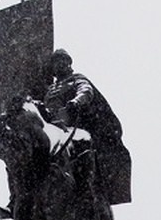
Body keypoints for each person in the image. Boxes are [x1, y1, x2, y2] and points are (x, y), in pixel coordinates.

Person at [41, 49, 132, 206]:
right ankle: (20, 202)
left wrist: (76, 102)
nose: (59, 65)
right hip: (54, 131)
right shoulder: (49, 90)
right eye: (56, 62)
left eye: (63, 61)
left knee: (83, 146)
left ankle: (88, 189)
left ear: (69, 63)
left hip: (73, 128)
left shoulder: (76, 79)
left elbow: (86, 91)